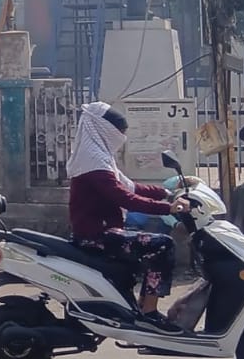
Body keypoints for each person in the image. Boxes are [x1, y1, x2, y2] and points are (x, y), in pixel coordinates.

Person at [67, 101, 191, 335]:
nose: (122, 137)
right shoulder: (93, 161)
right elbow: (124, 198)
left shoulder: (99, 157)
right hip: (96, 235)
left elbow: (130, 186)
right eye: (120, 132)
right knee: (162, 244)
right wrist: (169, 209)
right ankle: (149, 313)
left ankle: (140, 307)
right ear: (103, 129)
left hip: (104, 231)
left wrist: (167, 192)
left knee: (149, 243)